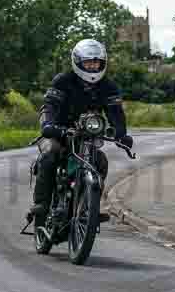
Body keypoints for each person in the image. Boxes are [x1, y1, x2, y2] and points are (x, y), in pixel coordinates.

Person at [26, 39, 133, 223]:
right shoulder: (63, 80)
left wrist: (121, 134)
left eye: (96, 63)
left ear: (103, 63)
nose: (92, 67)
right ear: (78, 62)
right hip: (58, 130)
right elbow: (50, 105)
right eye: (88, 63)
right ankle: (41, 204)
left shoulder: (108, 87)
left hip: (87, 134)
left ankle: (89, 207)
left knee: (100, 161)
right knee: (50, 154)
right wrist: (49, 126)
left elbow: (115, 113)